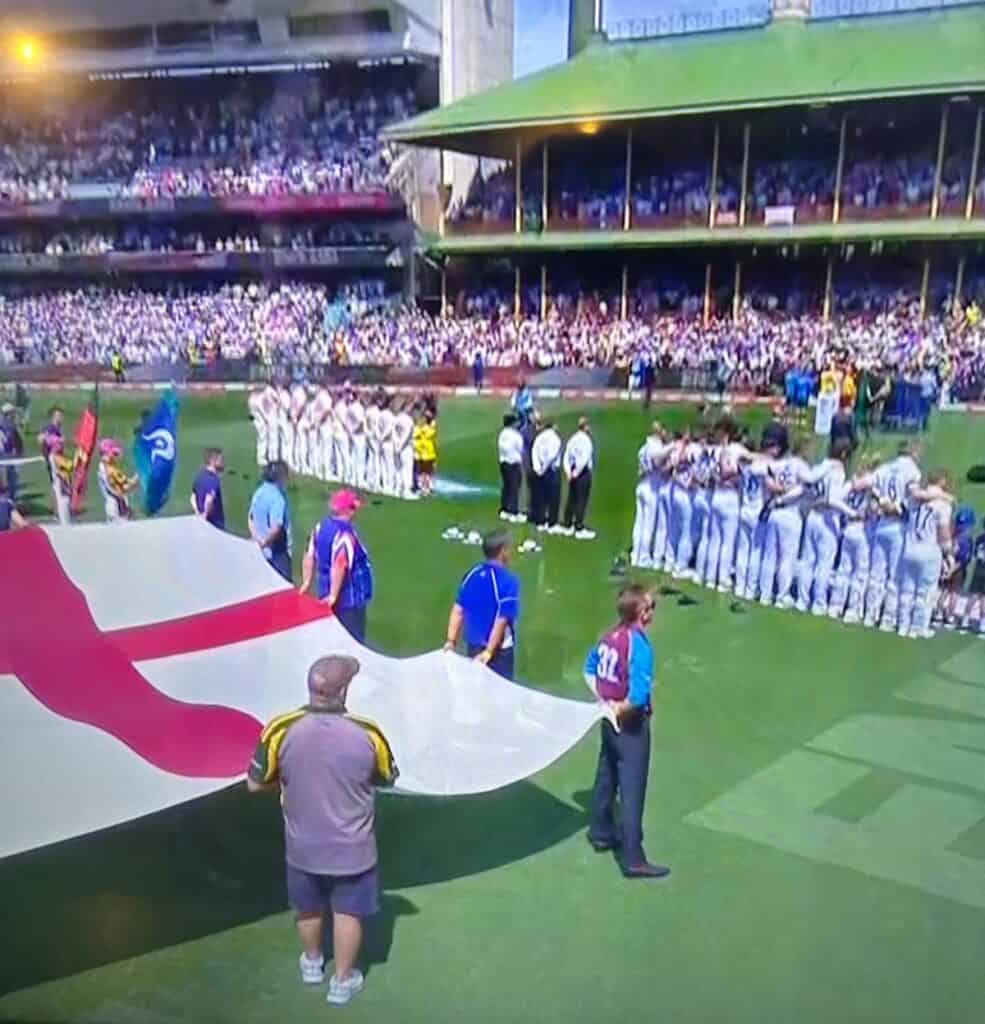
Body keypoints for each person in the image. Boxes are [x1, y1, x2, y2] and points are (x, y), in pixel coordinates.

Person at [247, 655, 397, 1007]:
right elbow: (387, 777)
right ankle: (342, 982)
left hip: (302, 846)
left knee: (309, 909)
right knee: (349, 913)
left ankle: (312, 964)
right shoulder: (368, 733)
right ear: (343, 691)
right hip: (354, 850)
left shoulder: (280, 729)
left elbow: (255, 784)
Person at [584, 584, 668, 880]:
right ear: (642, 613)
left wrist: (605, 703)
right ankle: (634, 858)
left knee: (606, 774)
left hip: (609, 721)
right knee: (632, 788)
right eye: (651, 607)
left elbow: (589, 668)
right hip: (631, 725)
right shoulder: (640, 646)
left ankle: (601, 831)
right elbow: (639, 695)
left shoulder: (609, 638)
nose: (653, 611)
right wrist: (621, 708)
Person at [301, 489, 375, 644]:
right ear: (348, 510)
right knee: (351, 643)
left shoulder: (320, 527)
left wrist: (307, 582)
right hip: (349, 601)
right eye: (354, 508)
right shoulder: (345, 534)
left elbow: (309, 554)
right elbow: (340, 564)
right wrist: (334, 596)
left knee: (330, 638)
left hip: (324, 593)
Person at [445, 529, 520, 680]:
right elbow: (501, 620)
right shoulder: (509, 581)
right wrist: (489, 651)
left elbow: (458, 610)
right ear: (503, 551)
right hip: (499, 652)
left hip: (473, 646)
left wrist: (451, 641)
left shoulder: (472, 574)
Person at [896, 470, 954, 639]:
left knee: (907, 588)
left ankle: (903, 625)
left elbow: (903, 507)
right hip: (929, 549)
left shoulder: (915, 499)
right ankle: (918, 627)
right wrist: (948, 553)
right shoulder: (943, 505)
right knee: (925, 591)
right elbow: (943, 532)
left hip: (910, 547)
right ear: (942, 482)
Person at [249, 461, 293, 582]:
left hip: (259, 551)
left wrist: (255, 538)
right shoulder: (278, 498)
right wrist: (265, 542)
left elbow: (251, 517)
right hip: (277, 554)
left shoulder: (259, 492)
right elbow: (277, 527)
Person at [562, 416, 596, 540]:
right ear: (586, 427)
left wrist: (568, 472)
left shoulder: (573, 439)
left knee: (571, 497)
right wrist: (577, 473)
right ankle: (578, 526)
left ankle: (567, 524)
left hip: (572, 470)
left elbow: (567, 455)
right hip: (582, 472)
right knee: (581, 499)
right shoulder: (586, 440)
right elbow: (585, 458)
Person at [530, 418, 562, 531]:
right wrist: (544, 468)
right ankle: (552, 523)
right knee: (553, 497)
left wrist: (537, 467)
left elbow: (534, 452)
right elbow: (552, 455)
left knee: (541, 496)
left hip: (539, 470)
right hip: (551, 470)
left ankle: (540, 520)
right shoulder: (555, 438)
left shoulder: (539, 438)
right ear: (553, 426)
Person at [97, 438, 138, 523]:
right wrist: (140, 475)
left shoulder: (102, 469)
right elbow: (127, 484)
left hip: (111, 505)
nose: (115, 458)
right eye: (113, 454)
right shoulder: (111, 471)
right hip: (116, 506)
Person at [497, 413, 524, 522]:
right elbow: (520, 448)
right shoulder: (515, 435)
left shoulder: (502, 434)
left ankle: (505, 509)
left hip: (504, 462)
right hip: (513, 463)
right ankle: (513, 511)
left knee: (507, 486)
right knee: (514, 487)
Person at [190, 447, 226, 530]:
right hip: (214, 524)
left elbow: (192, 497)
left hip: (199, 520)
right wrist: (204, 515)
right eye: (220, 460)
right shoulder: (214, 480)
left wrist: (197, 513)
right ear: (213, 461)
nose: (223, 462)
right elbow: (209, 500)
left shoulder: (199, 476)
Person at [413, 408, 437, 498]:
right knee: (426, 472)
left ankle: (426, 488)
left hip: (426, 452)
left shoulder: (422, 428)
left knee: (426, 472)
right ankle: (426, 488)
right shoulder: (429, 428)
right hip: (427, 452)